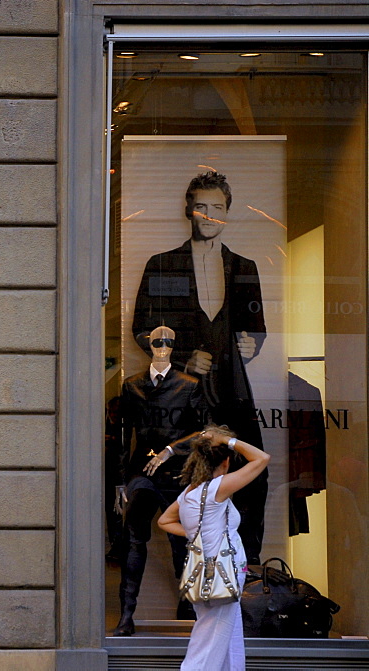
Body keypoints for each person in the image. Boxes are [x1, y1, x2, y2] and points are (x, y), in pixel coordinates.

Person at [132, 170, 268, 565]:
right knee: (182, 474)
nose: (209, 215)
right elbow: (142, 329)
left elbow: (256, 330)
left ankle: (246, 566)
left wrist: (251, 344)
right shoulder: (162, 265)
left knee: (248, 474)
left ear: (228, 213)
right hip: (182, 394)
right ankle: (190, 576)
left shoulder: (245, 266)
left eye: (218, 208)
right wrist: (180, 356)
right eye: (202, 207)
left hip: (232, 387)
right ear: (188, 210)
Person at [113, 325, 207, 636]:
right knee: (133, 543)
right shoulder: (132, 386)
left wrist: (170, 450)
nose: (163, 346)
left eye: (168, 341)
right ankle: (126, 615)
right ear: (149, 345)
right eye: (157, 341)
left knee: (182, 542)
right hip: (142, 475)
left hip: (176, 475)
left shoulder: (189, 385)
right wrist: (119, 481)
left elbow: (204, 432)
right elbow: (123, 435)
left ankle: (189, 605)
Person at [158, 425, 271, 670]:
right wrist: (229, 441)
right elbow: (262, 458)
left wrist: (193, 533)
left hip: (204, 573)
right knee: (211, 639)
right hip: (222, 573)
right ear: (226, 462)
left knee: (225, 635)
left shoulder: (190, 493)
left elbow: (164, 521)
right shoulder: (217, 489)